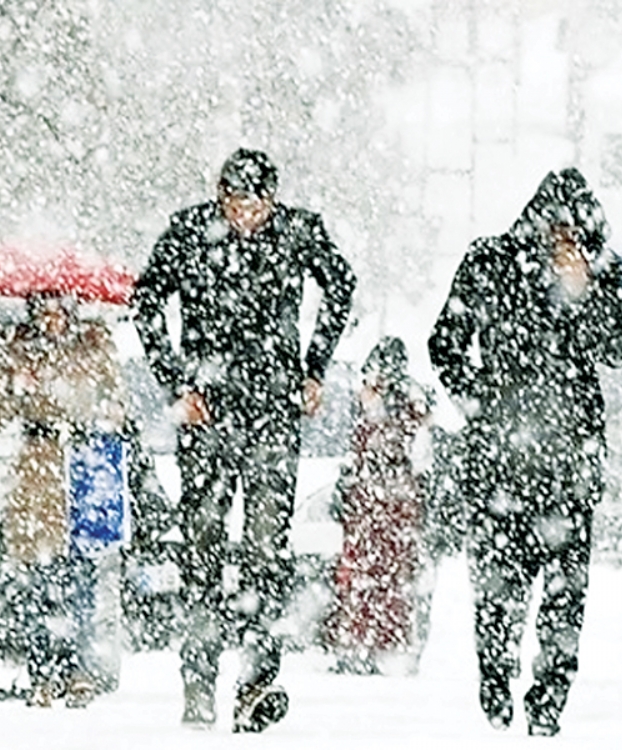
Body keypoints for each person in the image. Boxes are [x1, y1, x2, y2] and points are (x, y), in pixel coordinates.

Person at [132, 148, 355, 732]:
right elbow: (146, 302)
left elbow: (341, 287)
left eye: (254, 205)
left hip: (273, 409)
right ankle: (199, 680)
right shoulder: (189, 232)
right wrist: (176, 381)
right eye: (233, 203)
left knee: (265, 552)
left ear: (273, 201)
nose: (243, 215)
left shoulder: (298, 232)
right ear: (219, 195)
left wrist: (314, 366)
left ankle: (256, 682)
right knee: (203, 553)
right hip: (207, 413)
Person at [428, 167, 622, 736]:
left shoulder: (603, 272)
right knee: (496, 592)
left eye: (576, 231)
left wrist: (584, 290)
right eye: (557, 228)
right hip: (500, 464)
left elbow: (619, 347)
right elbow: (445, 343)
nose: (564, 240)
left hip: (570, 466)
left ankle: (548, 707)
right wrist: (480, 405)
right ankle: (495, 684)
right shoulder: (491, 262)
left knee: (565, 599)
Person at [0, 292, 127, 708]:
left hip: (84, 464)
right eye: (43, 311)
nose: (52, 320)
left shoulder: (95, 346)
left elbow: (117, 405)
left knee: (83, 576)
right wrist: (14, 385)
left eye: (59, 310)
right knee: (39, 578)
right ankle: (44, 671)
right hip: (37, 470)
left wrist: (101, 404)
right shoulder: (16, 351)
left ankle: (81, 670)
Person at [324, 336, 433, 675]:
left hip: (385, 505)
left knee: (379, 577)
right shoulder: (381, 407)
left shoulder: (401, 408)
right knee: (369, 576)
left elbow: (416, 457)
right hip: (375, 505)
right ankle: (365, 643)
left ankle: (375, 644)